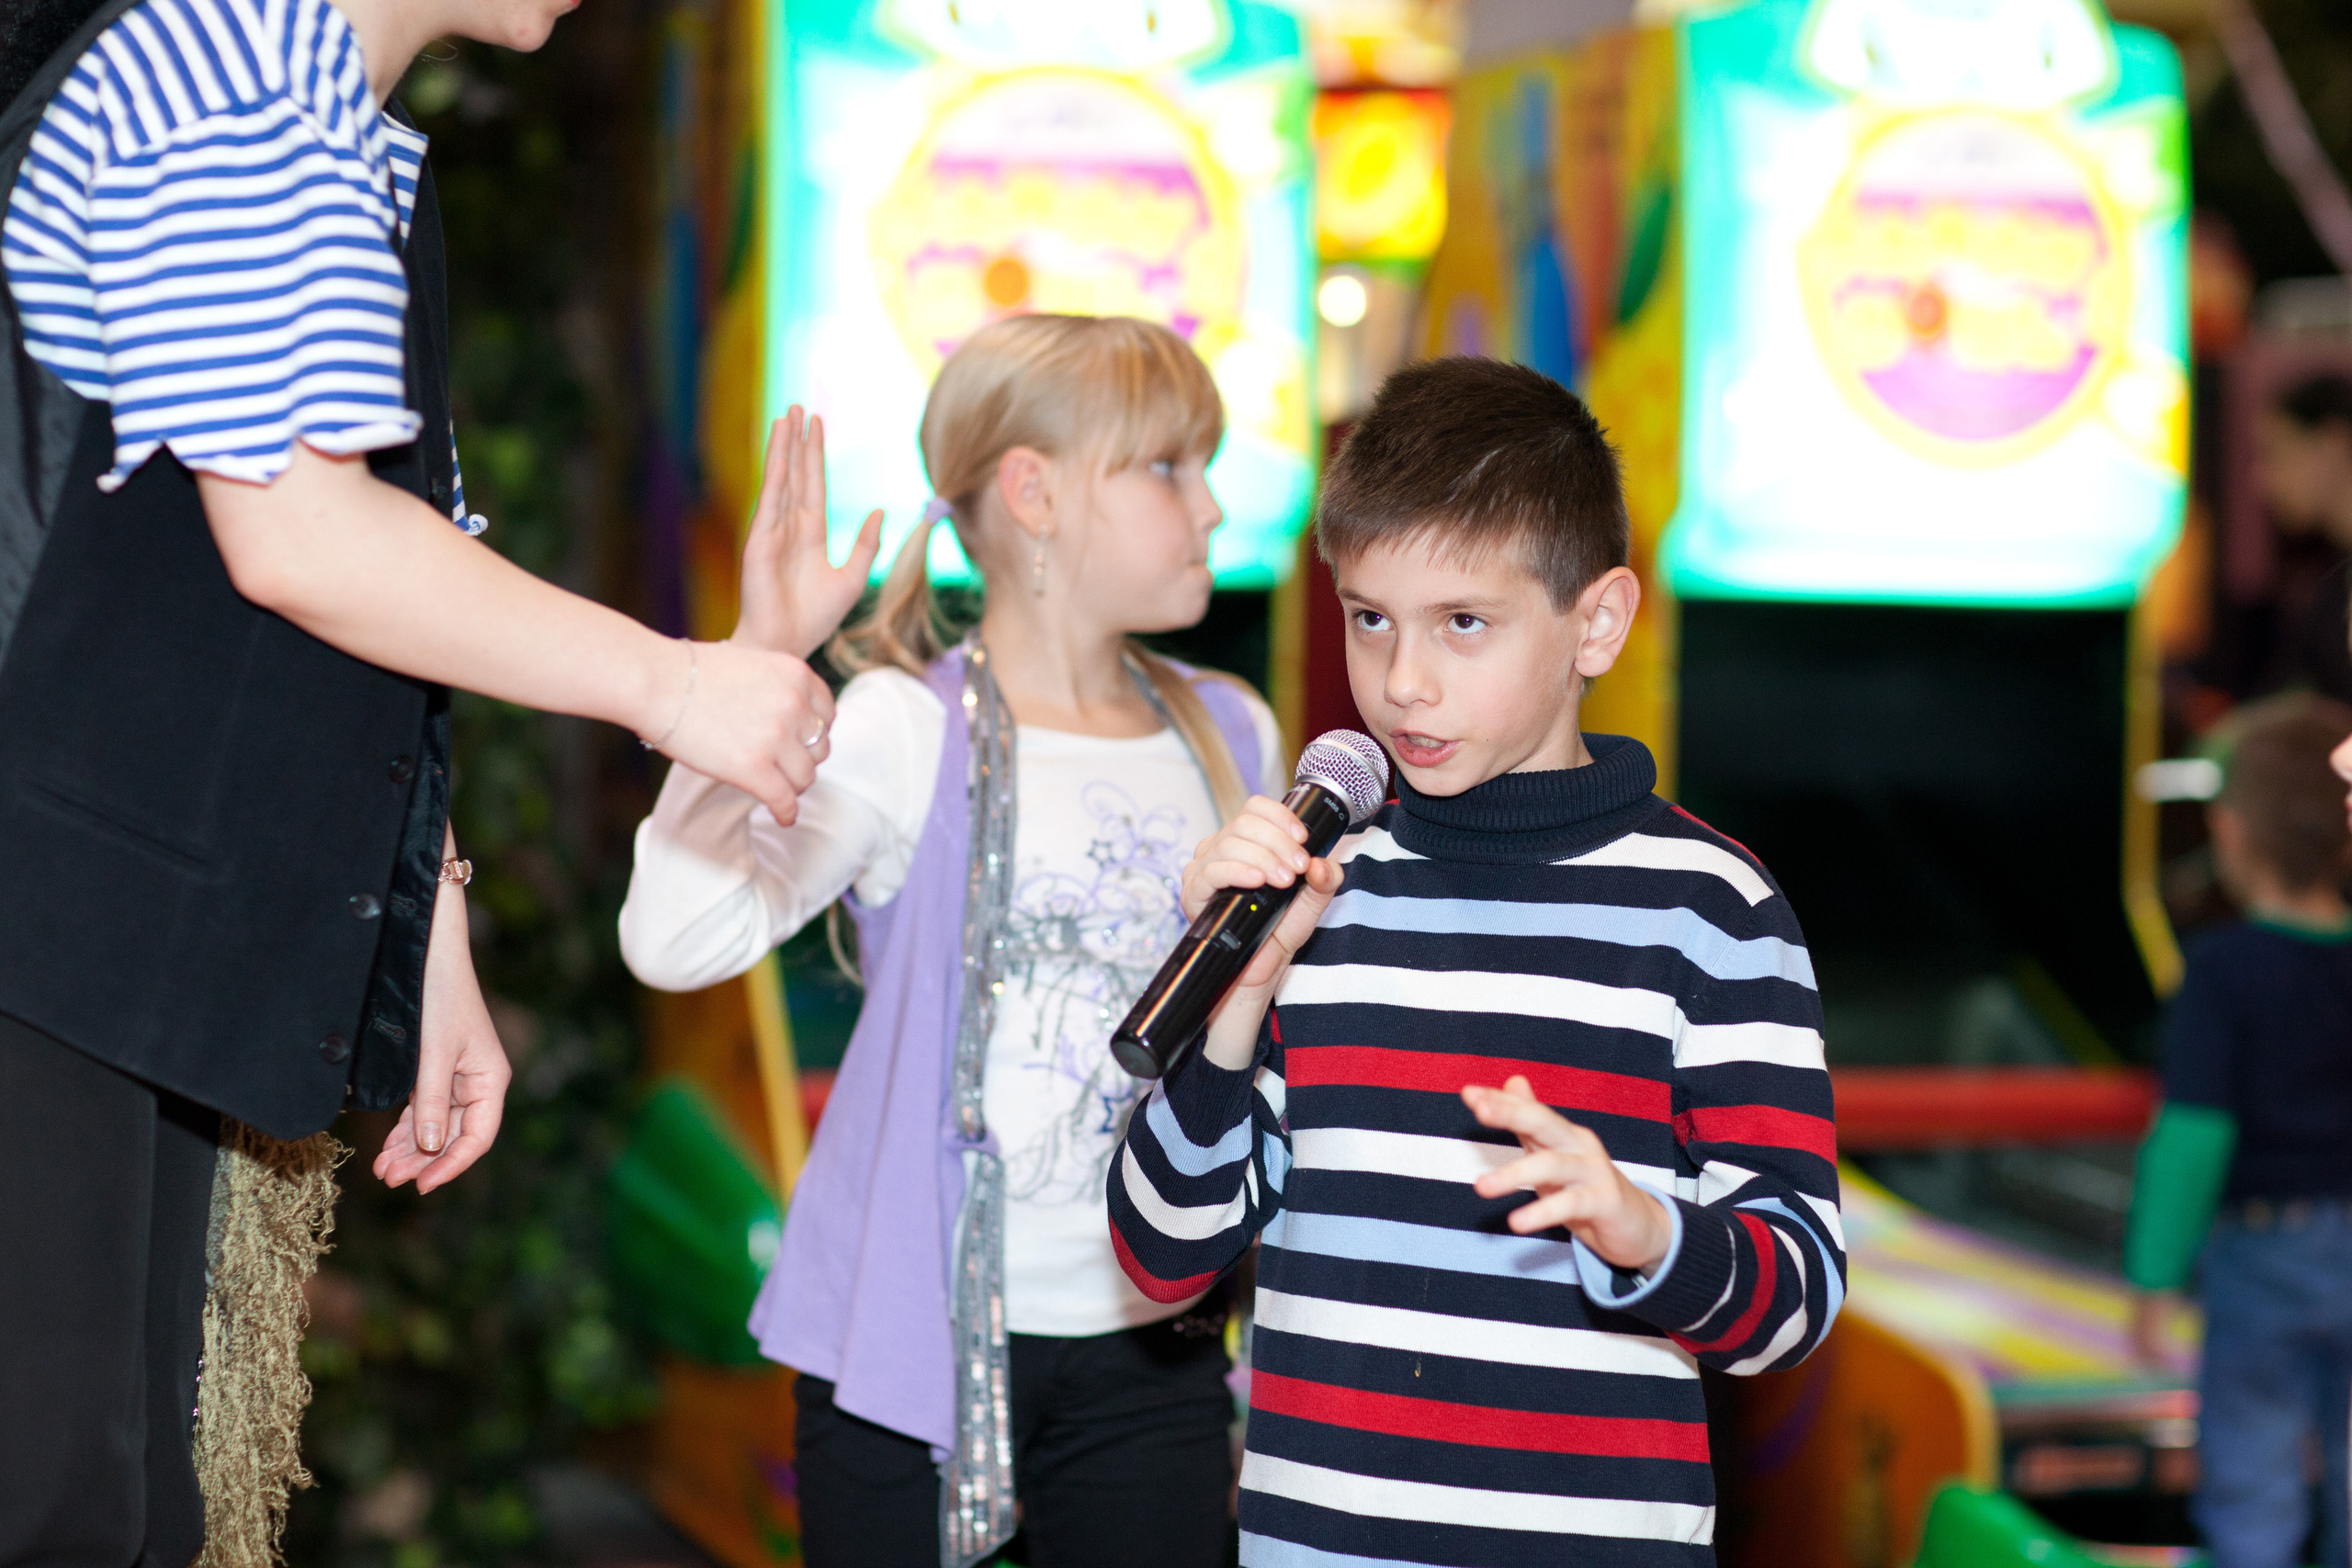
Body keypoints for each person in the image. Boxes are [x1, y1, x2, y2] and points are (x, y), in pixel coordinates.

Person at [0, 0, 833, 1561]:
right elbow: (302, 533)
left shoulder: (334, 126)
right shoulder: (231, 73)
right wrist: (676, 681)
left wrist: (423, 924)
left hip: (109, 926)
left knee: (112, 1496)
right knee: (55, 1492)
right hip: (49, 909)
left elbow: (382, 580)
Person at [1109, 357, 1845, 1568]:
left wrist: (1645, 1229)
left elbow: (1799, 1285)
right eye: (1370, 617)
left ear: (1595, 621)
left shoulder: (1712, 905)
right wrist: (1235, 1003)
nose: (1404, 679)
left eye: (1465, 622)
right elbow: (1158, 1254)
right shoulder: (1318, 880)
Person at [617, 313, 1285, 1568]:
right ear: (1031, 492)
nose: (1209, 506)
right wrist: (760, 652)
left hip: (1158, 1335)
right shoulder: (901, 728)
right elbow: (676, 936)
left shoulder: (1235, 733)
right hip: (905, 1335)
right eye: (1167, 466)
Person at [2126, 693, 2352, 1568]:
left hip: (2266, 1253)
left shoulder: (2223, 972)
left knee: (2254, 1473)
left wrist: (2153, 1276)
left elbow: (2191, 1138)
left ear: (2229, 832)